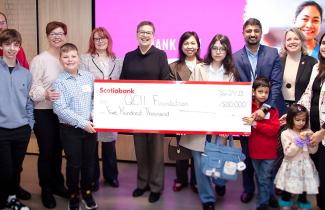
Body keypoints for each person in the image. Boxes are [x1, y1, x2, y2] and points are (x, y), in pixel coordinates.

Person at [180, 34, 239, 210]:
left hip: (221, 126)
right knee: (199, 164)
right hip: (200, 124)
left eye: (222, 48)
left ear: (227, 50)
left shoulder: (231, 72)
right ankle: (207, 198)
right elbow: (189, 94)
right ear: (210, 49)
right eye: (215, 48)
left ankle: (220, 182)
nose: (218, 51)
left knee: (219, 159)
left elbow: (234, 100)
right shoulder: (200, 68)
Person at [233, 18, 283, 205]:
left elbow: (276, 84)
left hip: (268, 112)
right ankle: (248, 189)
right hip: (245, 116)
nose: (252, 34)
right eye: (249, 31)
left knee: (268, 156)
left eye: (256, 30)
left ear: (261, 33)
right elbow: (236, 87)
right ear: (243, 33)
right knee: (247, 153)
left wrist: (264, 108)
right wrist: (251, 112)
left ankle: (268, 192)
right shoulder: (236, 57)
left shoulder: (272, 53)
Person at [120, 20, 170, 203]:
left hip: (156, 113)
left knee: (156, 152)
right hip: (136, 113)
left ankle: (156, 186)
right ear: (136, 34)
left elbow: (165, 81)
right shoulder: (129, 56)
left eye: (148, 32)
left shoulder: (160, 55)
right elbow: (123, 81)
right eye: (142, 31)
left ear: (153, 35)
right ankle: (143, 184)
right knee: (140, 150)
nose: (145, 35)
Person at [53, 43, 98, 210]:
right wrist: (82, 123)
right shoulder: (59, 82)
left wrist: (93, 113)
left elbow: (95, 98)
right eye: (65, 57)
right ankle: (73, 195)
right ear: (61, 60)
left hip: (90, 128)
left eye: (73, 56)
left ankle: (87, 193)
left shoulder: (88, 77)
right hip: (70, 130)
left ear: (78, 58)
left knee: (89, 163)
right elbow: (59, 109)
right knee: (74, 164)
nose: (69, 60)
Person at [29, 21, 68, 209]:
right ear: (47, 36)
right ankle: (46, 189)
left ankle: (57, 185)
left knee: (58, 151)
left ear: (65, 36)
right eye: (53, 33)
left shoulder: (67, 58)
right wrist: (45, 94)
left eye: (60, 33)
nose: (57, 36)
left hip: (62, 113)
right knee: (46, 152)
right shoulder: (40, 60)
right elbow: (32, 90)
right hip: (43, 112)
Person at [80, 27, 122, 191]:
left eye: (103, 38)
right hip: (92, 106)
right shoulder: (85, 59)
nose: (100, 41)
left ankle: (111, 176)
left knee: (109, 144)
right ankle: (92, 179)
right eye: (97, 38)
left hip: (111, 108)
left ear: (108, 40)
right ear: (92, 41)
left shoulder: (117, 60)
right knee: (92, 145)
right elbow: (83, 82)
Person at [0, 29, 34, 210]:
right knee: (4, 169)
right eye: (7, 44)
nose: (11, 49)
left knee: (16, 168)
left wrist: (30, 124)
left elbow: (29, 103)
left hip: (22, 130)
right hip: (1, 130)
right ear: (1, 46)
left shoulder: (26, 74)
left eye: (15, 45)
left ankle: (12, 199)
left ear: (19, 47)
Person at [169, 31, 202, 193]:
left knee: (198, 149)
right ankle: (180, 179)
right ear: (181, 46)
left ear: (198, 45)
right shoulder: (173, 67)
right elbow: (169, 90)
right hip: (180, 114)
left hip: (201, 114)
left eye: (193, 43)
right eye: (186, 43)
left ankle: (197, 180)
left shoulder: (205, 65)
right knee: (181, 148)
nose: (189, 46)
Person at [243, 77, 280, 210]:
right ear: (253, 92)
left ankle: (263, 203)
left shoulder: (272, 109)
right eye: (260, 91)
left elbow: (274, 130)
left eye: (266, 92)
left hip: (269, 151)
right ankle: (270, 197)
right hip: (254, 150)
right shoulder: (247, 106)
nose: (263, 94)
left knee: (264, 177)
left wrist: (255, 124)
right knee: (262, 177)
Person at [298, 32, 325, 210]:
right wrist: (296, 113)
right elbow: (308, 94)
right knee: (315, 170)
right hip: (312, 127)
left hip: (323, 132)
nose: (324, 47)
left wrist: (323, 131)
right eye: (323, 43)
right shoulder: (317, 67)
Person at [275, 104, 319, 210]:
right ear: (291, 119)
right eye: (298, 120)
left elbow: (313, 151)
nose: (301, 123)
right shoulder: (285, 133)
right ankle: (286, 201)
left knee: (304, 185)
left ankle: (302, 201)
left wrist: (312, 141)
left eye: (303, 120)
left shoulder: (307, 132)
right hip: (290, 165)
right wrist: (299, 140)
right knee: (288, 185)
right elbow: (288, 152)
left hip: (305, 165)